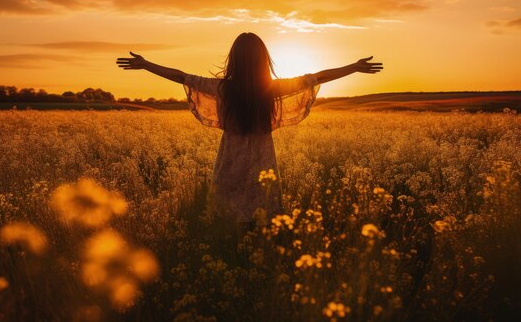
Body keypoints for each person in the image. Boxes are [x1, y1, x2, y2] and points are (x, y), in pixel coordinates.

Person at [116, 32, 383, 229]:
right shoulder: (273, 89)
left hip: (231, 155)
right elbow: (317, 77)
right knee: (261, 215)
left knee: (228, 215)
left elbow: (181, 76)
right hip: (262, 158)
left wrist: (147, 64)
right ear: (262, 60)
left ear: (234, 59)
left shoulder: (223, 88)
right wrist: (354, 68)